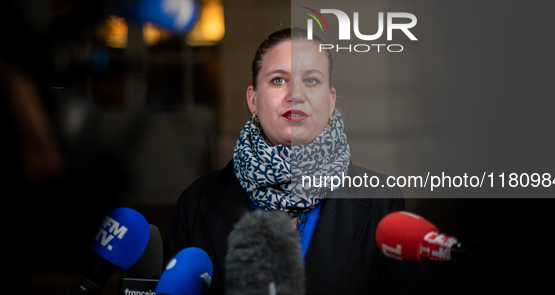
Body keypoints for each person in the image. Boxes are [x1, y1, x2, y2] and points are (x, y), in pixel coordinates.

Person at [164, 27, 422, 294]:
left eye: (311, 80)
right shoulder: (196, 202)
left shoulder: (382, 201)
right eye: (278, 80)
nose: (295, 94)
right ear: (253, 100)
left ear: (330, 100)